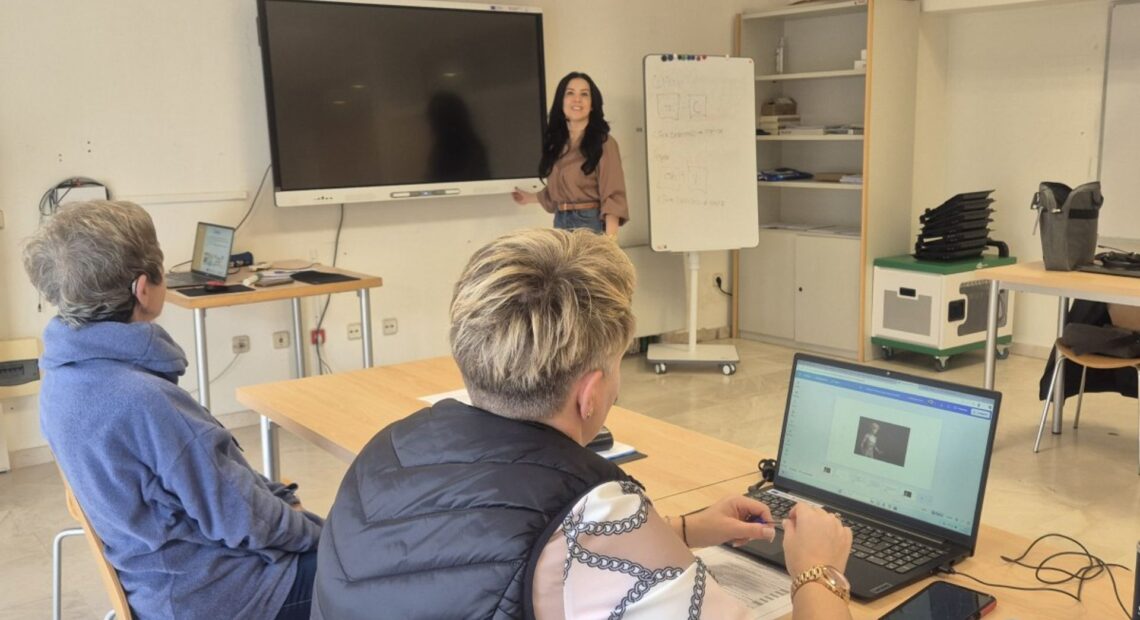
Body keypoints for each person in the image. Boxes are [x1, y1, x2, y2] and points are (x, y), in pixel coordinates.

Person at [312, 228, 852, 619]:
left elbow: (493, 544)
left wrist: (685, 530)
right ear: (590, 394)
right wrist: (817, 570)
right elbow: (562, 545)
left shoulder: (390, 448)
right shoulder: (594, 515)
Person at [23, 201, 322, 620]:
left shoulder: (62, 376)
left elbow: (223, 495)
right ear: (143, 289)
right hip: (223, 597)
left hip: (160, 585)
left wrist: (281, 504)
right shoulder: (145, 401)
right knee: (386, 567)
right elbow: (242, 519)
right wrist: (323, 536)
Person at [512, 72, 629, 236]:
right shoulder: (557, 144)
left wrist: (611, 242)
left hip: (590, 225)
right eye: (570, 93)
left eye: (584, 94)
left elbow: (613, 196)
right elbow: (557, 191)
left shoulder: (604, 143)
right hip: (560, 222)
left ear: (592, 104)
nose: (577, 99)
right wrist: (529, 198)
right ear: (561, 102)